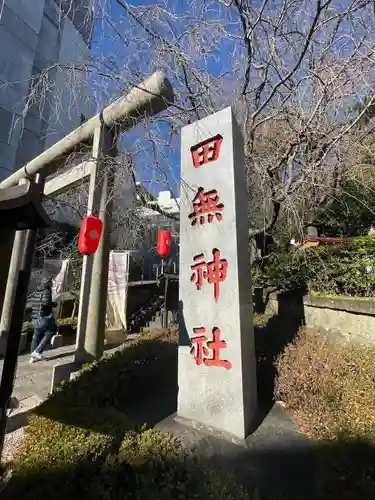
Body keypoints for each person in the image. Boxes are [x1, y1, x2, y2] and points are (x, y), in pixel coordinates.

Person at [29, 277, 57, 363]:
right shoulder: (46, 291)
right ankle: (37, 351)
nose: (52, 284)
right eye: (51, 282)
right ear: (48, 283)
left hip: (35, 318)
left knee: (36, 335)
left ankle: (33, 357)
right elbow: (45, 303)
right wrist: (53, 304)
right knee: (51, 330)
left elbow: (32, 302)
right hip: (43, 317)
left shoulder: (36, 291)